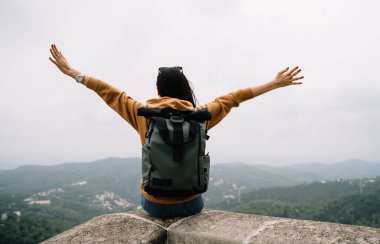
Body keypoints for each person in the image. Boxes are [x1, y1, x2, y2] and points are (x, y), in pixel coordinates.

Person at [49, 43, 304, 218]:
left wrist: (73, 72)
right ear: (184, 90)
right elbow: (235, 97)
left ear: (158, 91)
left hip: (154, 206)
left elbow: (109, 92)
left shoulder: (143, 114)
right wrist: (274, 83)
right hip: (192, 204)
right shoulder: (201, 115)